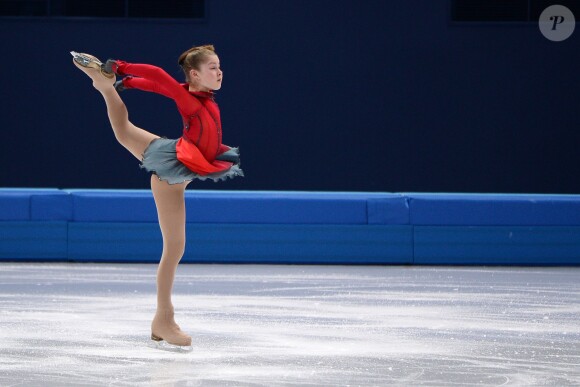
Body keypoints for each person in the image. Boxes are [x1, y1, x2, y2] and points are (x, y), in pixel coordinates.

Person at [71, 45, 243, 349]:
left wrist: (126, 84)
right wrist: (122, 67)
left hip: (178, 152)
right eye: (213, 67)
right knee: (175, 246)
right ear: (194, 74)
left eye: (220, 67)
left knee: (124, 131)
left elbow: (156, 85)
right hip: (172, 174)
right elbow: (159, 76)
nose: (220, 72)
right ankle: (164, 318)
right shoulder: (190, 101)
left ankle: (104, 87)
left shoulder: (199, 96)